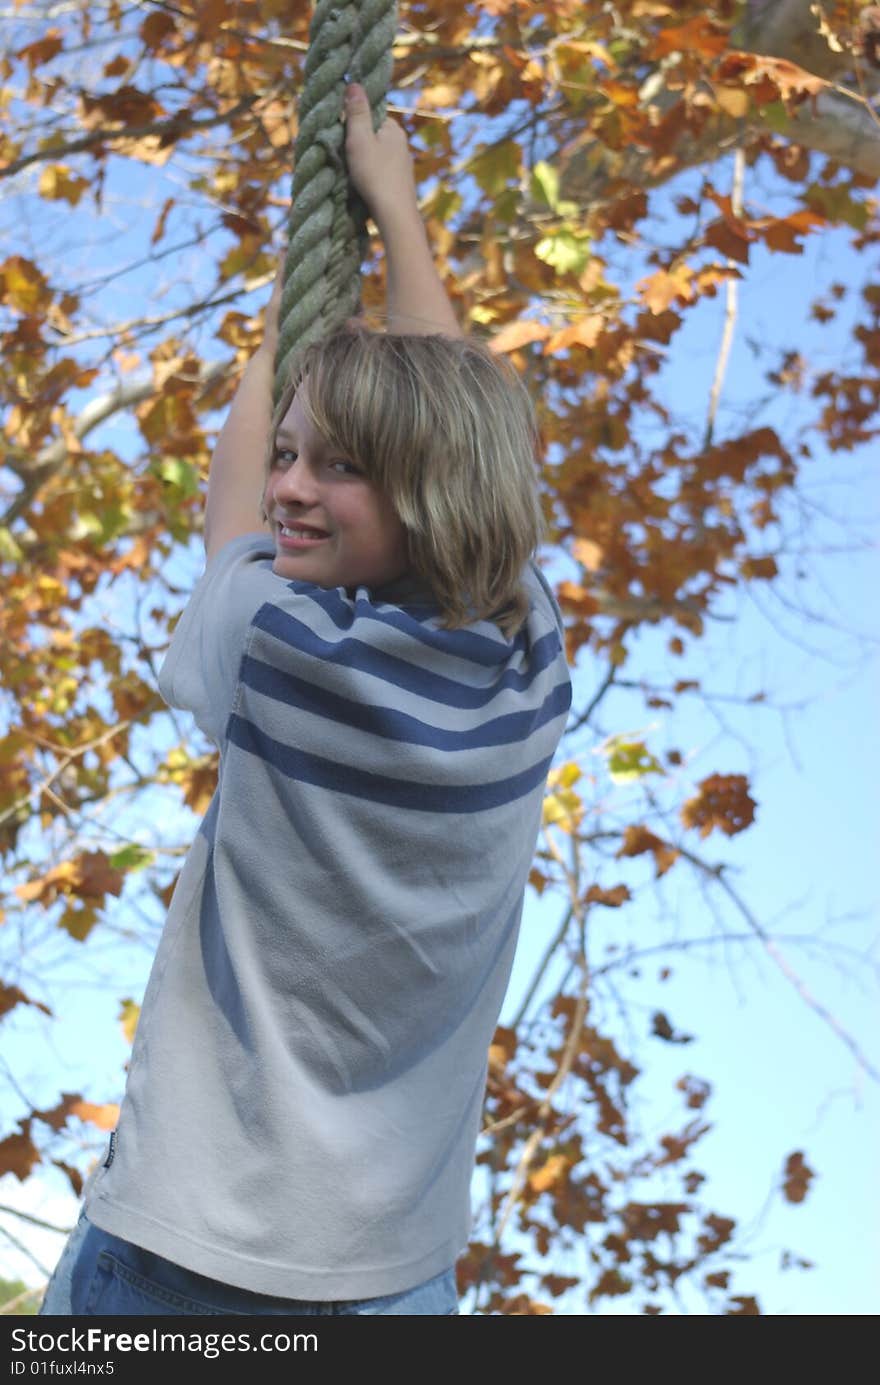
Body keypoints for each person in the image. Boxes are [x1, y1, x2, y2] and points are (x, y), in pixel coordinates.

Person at [39, 81, 572, 1317]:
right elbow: (449, 434)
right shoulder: (526, 662)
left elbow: (228, 522)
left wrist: (293, 301)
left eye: (333, 466)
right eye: (287, 448)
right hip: (391, 1277)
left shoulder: (282, 643)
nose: (288, 487)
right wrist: (402, 225)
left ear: (421, 488)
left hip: (183, 1247)